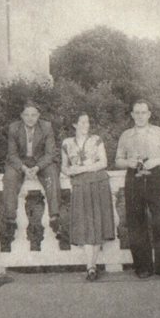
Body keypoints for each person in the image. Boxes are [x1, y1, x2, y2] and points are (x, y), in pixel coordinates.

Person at [115, 99, 160, 280]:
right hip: (133, 179)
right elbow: (117, 160)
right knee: (136, 222)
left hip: (155, 178)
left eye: (144, 112)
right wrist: (129, 162)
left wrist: (156, 161)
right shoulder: (125, 135)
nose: (140, 116)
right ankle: (142, 267)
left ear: (149, 114)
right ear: (132, 115)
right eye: (137, 113)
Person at [61, 113, 116, 280]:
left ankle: (93, 266)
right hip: (79, 186)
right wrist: (68, 171)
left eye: (88, 122)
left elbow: (103, 162)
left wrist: (81, 169)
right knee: (84, 223)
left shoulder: (96, 139)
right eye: (82, 122)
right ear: (74, 124)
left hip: (98, 182)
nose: (86, 125)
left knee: (97, 222)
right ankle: (89, 266)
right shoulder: (67, 143)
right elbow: (64, 166)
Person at [2, 102, 61, 232]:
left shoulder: (46, 127)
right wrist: (23, 168)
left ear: (38, 115)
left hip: (40, 161)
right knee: (10, 176)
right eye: (27, 115)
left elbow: (50, 153)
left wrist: (37, 168)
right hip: (20, 161)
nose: (30, 118)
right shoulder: (14, 128)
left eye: (34, 115)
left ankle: (54, 216)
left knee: (52, 172)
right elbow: (12, 154)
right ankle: (10, 219)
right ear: (21, 116)